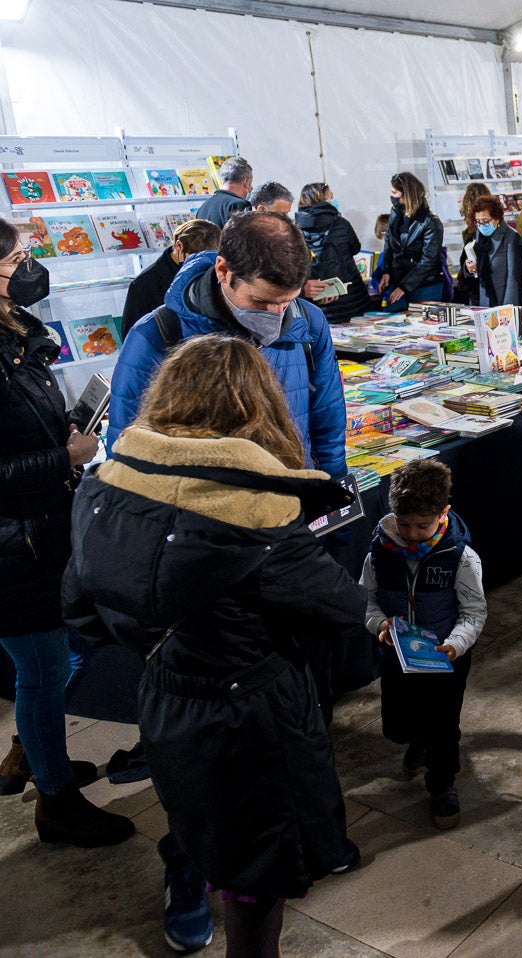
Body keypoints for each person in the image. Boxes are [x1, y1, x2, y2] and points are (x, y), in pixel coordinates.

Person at [64, 334, 366, 958]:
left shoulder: (106, 488)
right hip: (253, 716)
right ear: (261, 406)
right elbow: (341, 609)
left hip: (165, 700)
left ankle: (189, 890)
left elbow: (81, 611)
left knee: (200, 824)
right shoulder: (257, 512)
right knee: (261, 874)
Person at [0, 222, 134, 848]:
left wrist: (70, 432)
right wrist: (65, 457)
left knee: (54, 661)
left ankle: (37, 755)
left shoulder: (19, 334)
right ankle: (55, 801)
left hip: (43, 530)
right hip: (13, 546)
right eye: (19, 258)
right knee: (42, 668)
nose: (32, 267)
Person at [110, 211, 347, 479]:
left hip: (291, 494)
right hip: (199, 499)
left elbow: (328, 418)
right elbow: (126, 447)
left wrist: (334, 487)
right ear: (223, 271)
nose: (276, 314)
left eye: (286, 301)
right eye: (260, 301)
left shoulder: (309, 321)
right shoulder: (157, 334)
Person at [363, 458, 486, 830]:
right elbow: (366, 600)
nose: (412, 534)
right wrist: (379, 624)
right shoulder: (379, 554)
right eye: (404, 524)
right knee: (396, 726)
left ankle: (443, 785)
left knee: (443, 727)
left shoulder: (460, 558)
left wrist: (454, 645)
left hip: (446, 660)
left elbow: (473, 612)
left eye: (422, 525)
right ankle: (415, 740)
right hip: (396, 657)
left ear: (443, 513)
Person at [121, 218, 221, 337]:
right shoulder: (143, 286)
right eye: (196, 258)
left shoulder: (215, 269)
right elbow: (133, 337)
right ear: (178, 246)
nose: (202, 263)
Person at [295, 182, 371, 324]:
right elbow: (355, 248)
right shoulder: (341, 224)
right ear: (322, 200)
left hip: (317, 300)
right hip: (352, 297)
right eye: (330, 197)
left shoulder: (295, 229)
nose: (333, 200)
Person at [378, 172, 446, 312]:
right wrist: (386, 271)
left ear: (406, 195)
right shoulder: (395, 213)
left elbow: (428, 260)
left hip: (425, 285)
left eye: (394, 193)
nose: (392, 196)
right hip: (398, 281)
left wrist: (405, 286)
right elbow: (389, 243)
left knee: (423, 322)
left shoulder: (430, 221)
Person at [455, 194, 522, 309]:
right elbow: (473, 267)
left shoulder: (511, 237)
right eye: (478, 221)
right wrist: (469, 269)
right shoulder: (478, 236)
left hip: (502, 299)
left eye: (485, 221)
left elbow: (514, 276)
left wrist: (509, 308)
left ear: (496, 218)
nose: (481, 225)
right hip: (481, 298)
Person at [194, 156, 253, 226]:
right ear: (246, 182)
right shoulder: (239, 205)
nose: (251, 188)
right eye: (250, 183)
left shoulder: (204, 207)